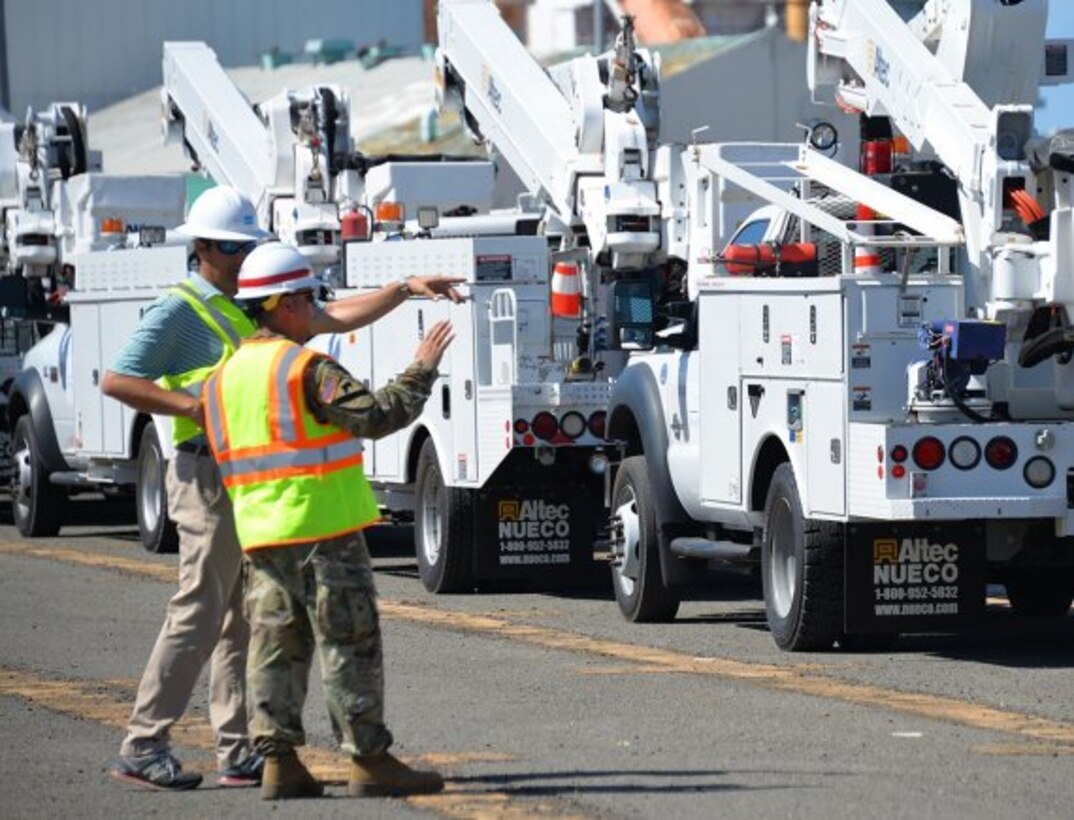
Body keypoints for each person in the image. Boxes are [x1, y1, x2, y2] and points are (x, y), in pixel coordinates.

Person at [102, 186, 462, 791]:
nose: (244, 256)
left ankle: (242, 750)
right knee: (202, 608)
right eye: (233, 248)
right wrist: (194, 406)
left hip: (250, 482)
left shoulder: (255, 304)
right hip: (206, 472)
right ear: (204, 248)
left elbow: (333, 315)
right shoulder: (182, 309)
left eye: (249, 247)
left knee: (250, 622)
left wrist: (401, 289)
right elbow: (117, 379)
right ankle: (144, 742)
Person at [202, 242, 452, 800]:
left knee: (273, 648)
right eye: (310, 298)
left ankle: (279, 764)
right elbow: (379, 416)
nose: (317, 310)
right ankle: (369, 759)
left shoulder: (223, 378)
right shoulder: (305, 367)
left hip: (262, 536)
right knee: (350, 642)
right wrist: (422, 368)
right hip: (324, 532)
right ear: (285, 303)